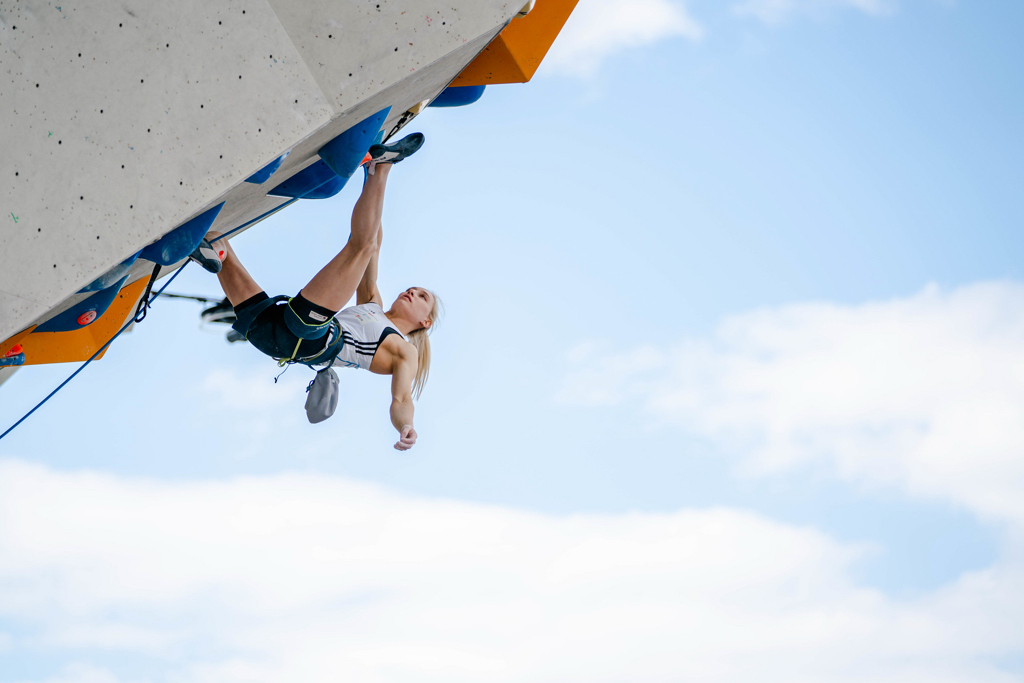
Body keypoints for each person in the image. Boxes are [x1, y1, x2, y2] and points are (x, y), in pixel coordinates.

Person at [193, 133, 441, 451]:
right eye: (414, 288)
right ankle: (208, 251)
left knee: (359, 247)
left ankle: (385, 164)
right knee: (217, 239)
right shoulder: (373, 304)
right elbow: (375, 242)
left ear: (425, 322)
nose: (413, 292)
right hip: (270, 334)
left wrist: (406, 426)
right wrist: (372, 180)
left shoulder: (405, 351)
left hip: (306, 332)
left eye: (423, 298)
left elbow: (402, 398)